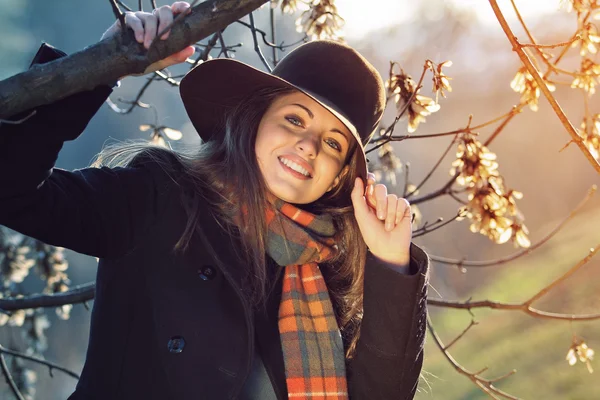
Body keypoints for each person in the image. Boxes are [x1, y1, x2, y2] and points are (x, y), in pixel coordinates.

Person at [0, 2, 429, 399]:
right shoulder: (162, 196)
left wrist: (393, 266)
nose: (309, 145)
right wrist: (99, 66)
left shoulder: (324, 269)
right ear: (256, 119)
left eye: (333, 144)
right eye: (295, 119)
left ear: (338, 177)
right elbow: (14, 191)